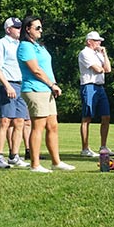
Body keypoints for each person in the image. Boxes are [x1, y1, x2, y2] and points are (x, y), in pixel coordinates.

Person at [17, 16, 75, 172]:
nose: (40, 31)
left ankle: (56, 162)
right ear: (27, 29)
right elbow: (35, 70)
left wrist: (51, 85)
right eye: (37, 28)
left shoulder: (38, 46)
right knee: (38, 126)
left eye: (41, 27)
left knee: (52, 126)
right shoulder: (25, 46)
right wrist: (52, 84)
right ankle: (35, 164)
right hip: (35, 89)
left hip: (46, 90)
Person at [0, 17, 30, 168]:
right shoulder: (0, 44)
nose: (19, 30)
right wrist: (7, 85)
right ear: (8, 29)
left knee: (20, 121)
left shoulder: (21, 45)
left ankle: (14, 155)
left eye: (20, 27)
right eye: (16, 27)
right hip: (7, 84)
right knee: (5, 121)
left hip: (21, 85)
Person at [78, 31, 114, 157]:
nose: (99, 43)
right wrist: (102, 67)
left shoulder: (98, 54)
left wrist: (104, 54)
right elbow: (99, 69)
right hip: (89, 85)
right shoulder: (84, 53)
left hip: (100, 86)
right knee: (87, 117)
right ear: (89, 41)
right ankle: (85, 148)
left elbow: (108, 69)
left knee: (106, 116)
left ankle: (103, 146)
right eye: (97, 40)